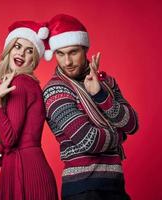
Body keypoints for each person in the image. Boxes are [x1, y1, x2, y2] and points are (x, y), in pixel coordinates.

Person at [43, 14, 139, 200]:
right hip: (82, 189)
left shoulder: (106, 82)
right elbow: (90, 140)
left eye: (73, 52)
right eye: (60, 54)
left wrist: (100, 94)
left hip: (116, 184)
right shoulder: (54, 90)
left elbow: (133, 123)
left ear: (85, 49)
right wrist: (119, 133)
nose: (67, 62)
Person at [0, 20, 58, 200]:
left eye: (29, 51)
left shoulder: (20, 84)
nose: (21, 53)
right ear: (9, 48)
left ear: (34, 59)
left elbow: (9, 140)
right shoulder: (29, 83)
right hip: (29, 167)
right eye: (18, 46)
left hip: (26, 172)